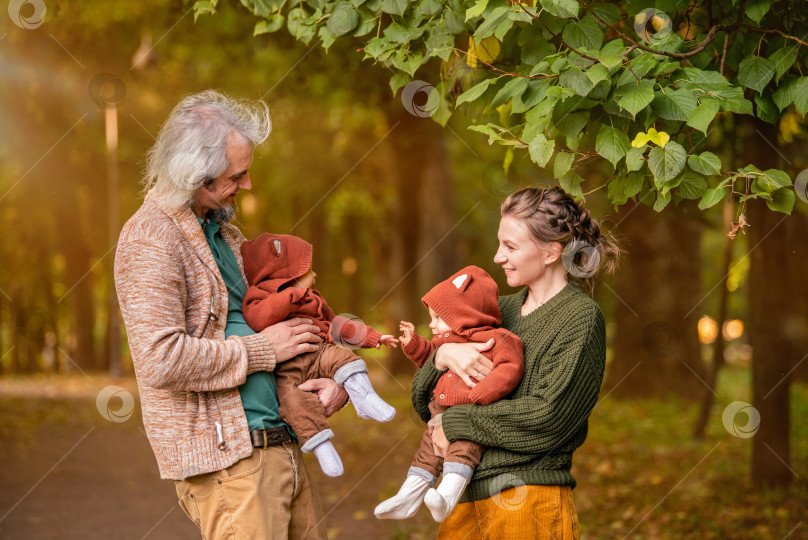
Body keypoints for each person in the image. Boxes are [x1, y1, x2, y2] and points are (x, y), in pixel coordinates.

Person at [114, 90, 345, 540]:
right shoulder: (150, 238)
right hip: (232, 464)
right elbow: (161, 359)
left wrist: (327, 376)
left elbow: (273, 314)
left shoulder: (222, 233)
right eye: (237, 175)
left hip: (281, 447)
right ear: (197, 177)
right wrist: (263, 351)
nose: (248, 184)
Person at [410, 187, 619, 539]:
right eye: (499, 244)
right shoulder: (494, 312)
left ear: (551, 252)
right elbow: (424, 400)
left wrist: (458, 421)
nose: (497, 257)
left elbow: (547, 419)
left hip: (529, 501)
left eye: (510, 246)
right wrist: (442, 356)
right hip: (461, 497)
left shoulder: (580, 318)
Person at [239, 232, 398, 477]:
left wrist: (371, 337)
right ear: (288, 275)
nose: (315, 275)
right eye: (308, 271)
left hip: (320, 352)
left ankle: (365, 398)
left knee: (344, 357)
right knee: (294, 403)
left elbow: (337, 324)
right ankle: (322, 447)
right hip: (287, 371)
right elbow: (259, 317)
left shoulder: (314, 298)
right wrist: (291, 295)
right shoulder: (260, 296)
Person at [374, 265, 523, 522]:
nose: (431, 324)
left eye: (437, 318)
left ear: (462, 316)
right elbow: (429, 358)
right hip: (437, 413)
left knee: (462, 452)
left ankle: (446, 497)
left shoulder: (498, 339)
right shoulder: (446, 342)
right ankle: (407, 498)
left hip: (470, 414)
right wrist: (413, 344)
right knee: (426, 454)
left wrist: (482, 393)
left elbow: (510, 368)